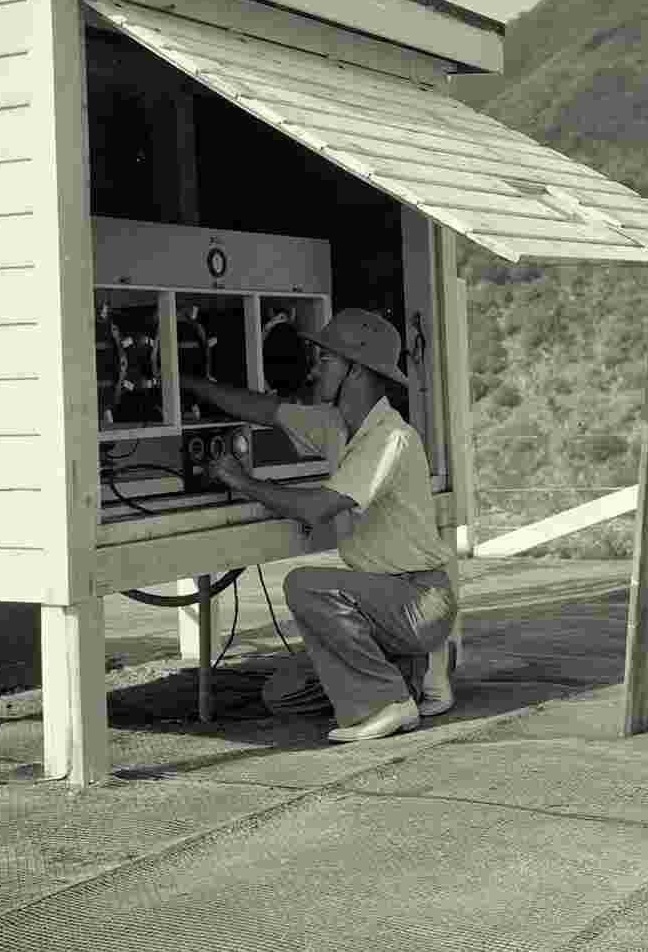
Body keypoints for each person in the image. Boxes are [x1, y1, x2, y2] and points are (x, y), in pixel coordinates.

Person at [178, 308, 457, 742]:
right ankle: (415, 671)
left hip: (418, 600)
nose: (315, 366)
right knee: (283, 695)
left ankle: (389, 701)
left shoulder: (391, 438)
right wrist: (191, 384)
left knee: (305, 585)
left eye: (327, 359)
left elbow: (316, 509)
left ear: (356, 370)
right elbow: (267, 410)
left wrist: (241, 481)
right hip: (383, 602)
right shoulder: (336, 424)